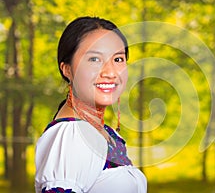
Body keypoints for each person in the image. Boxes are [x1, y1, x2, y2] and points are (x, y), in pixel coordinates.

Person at [35, 16, 147, 193]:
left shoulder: (104, 132)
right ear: (67, 69)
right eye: (94, 59)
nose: (110, 72)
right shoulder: (72, 134)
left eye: (118, 59)